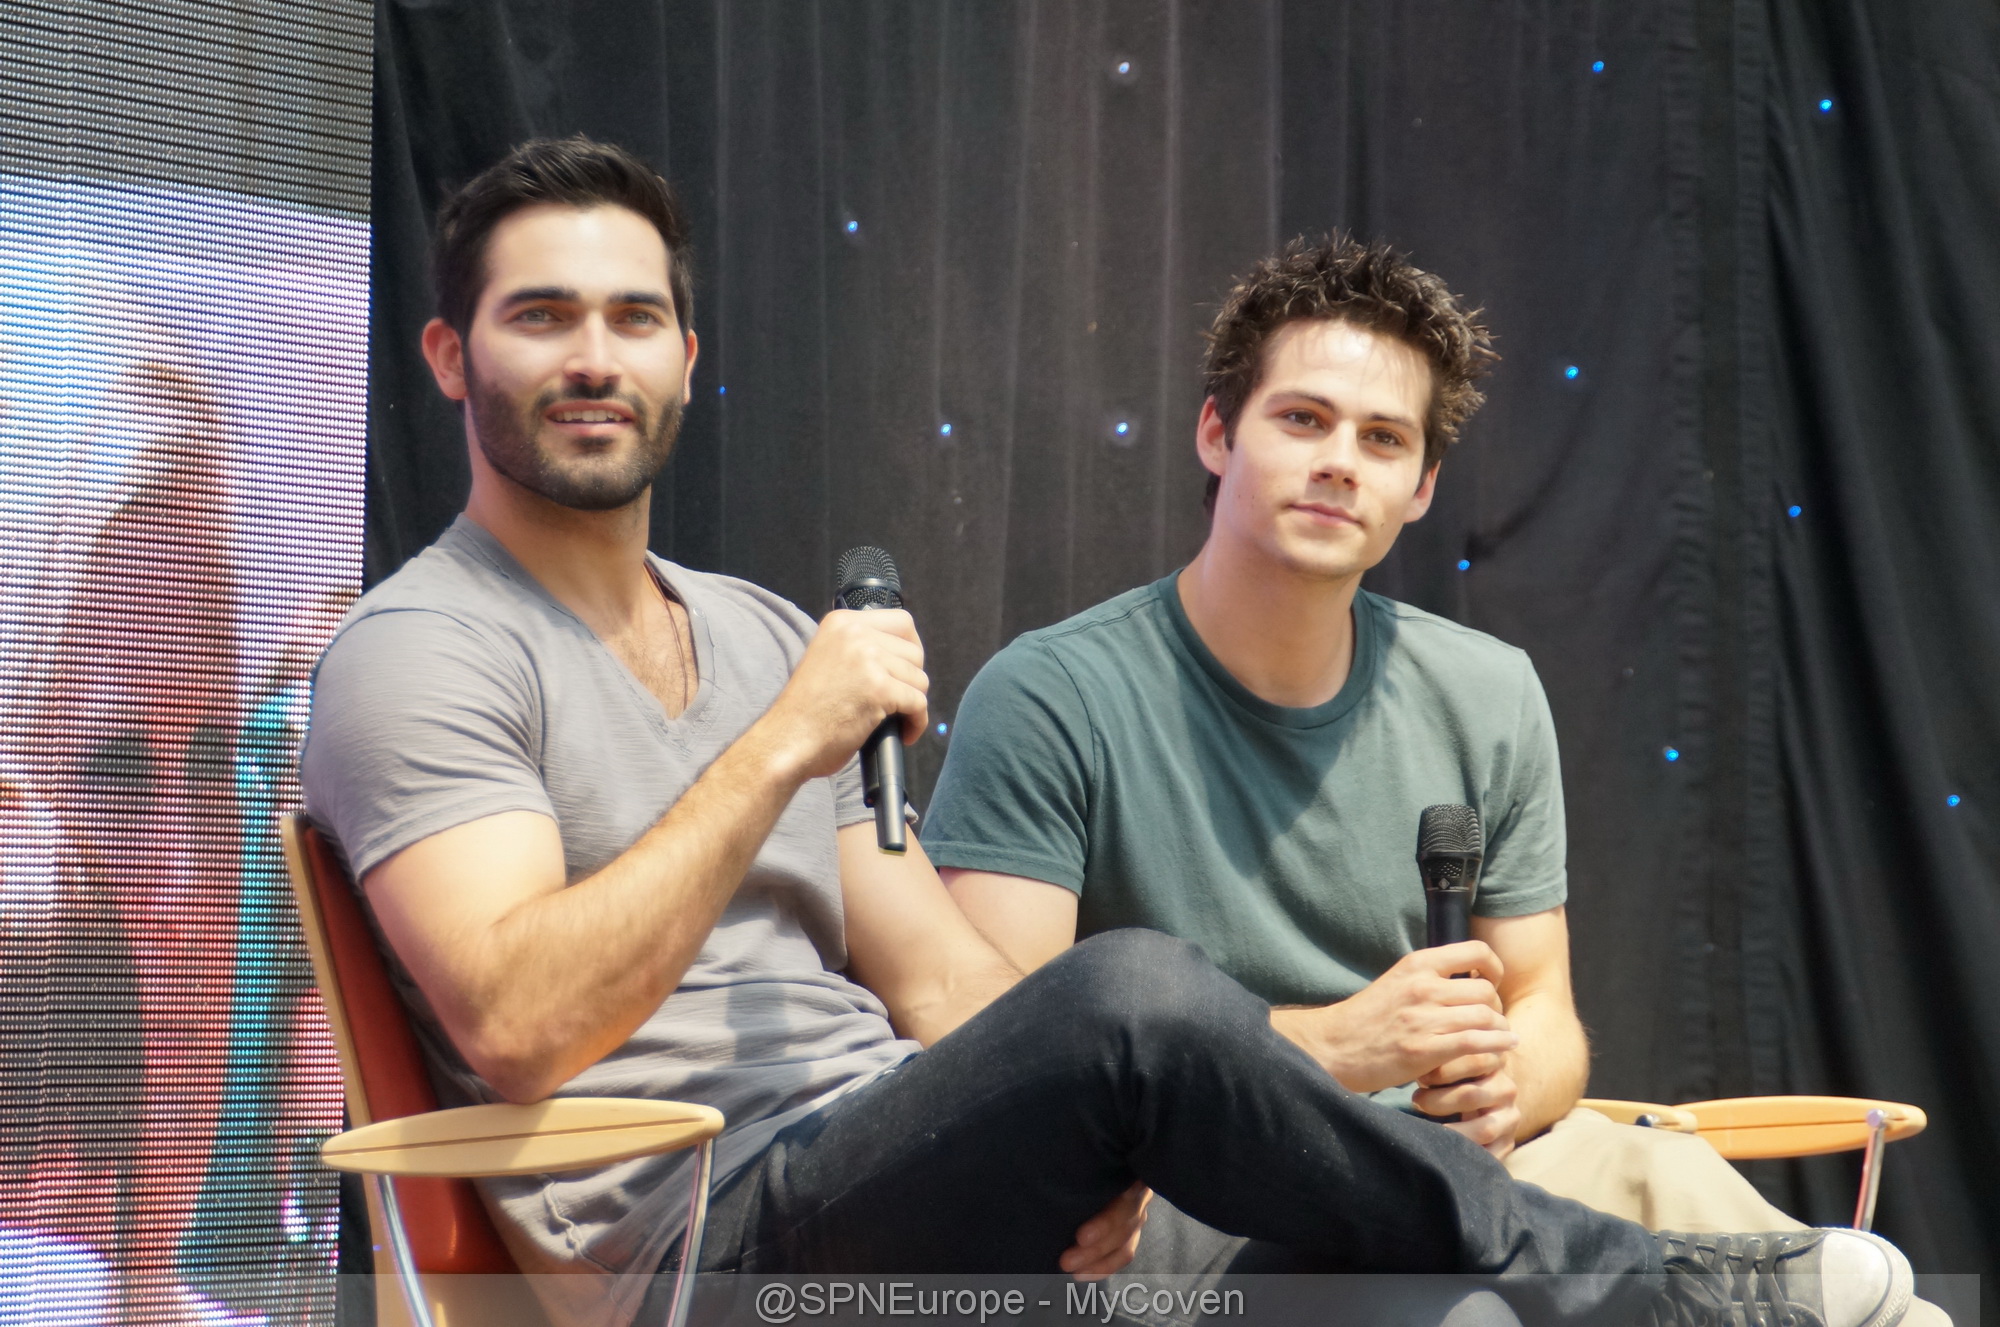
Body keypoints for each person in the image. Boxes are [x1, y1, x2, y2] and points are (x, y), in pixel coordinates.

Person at [300, 136, 1913, 1327]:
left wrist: (1073, 1124)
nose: (596, 357)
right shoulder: (420, 650)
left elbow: (948, 990)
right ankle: (1646, 1283)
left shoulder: (763, 631)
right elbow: (517, 1021)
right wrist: (782, 747)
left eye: (635, 318)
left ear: (686, 356)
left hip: (909, 1176)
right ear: (449, 354)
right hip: (711, 1243)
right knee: (1139, 986)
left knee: (1434, 1294)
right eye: (543, 317)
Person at [923, 235, 1937, 1306]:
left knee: (1715, 1204)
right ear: (1216, 432)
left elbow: (1543, 1007)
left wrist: (1511, 1084)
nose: (1340, 462)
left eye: (1382, 438)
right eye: (1302, 419)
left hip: (1467, 1174)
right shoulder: (1050, 694)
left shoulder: (1487, 690)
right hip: (1197, 1200)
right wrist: (1332, 1048)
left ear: (1420, 486)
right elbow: (1006, 1068)